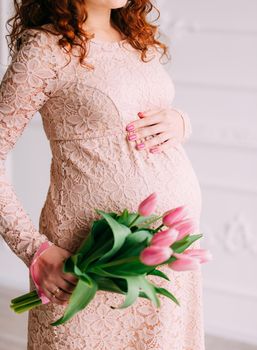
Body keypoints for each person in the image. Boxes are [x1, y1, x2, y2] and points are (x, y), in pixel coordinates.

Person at [0, 0, 205, 349]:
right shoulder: (46, 49)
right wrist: (35, 250)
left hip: (163, 254)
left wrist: (181, 122)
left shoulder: (137, 39)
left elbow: (137, 113)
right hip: (90, 258)